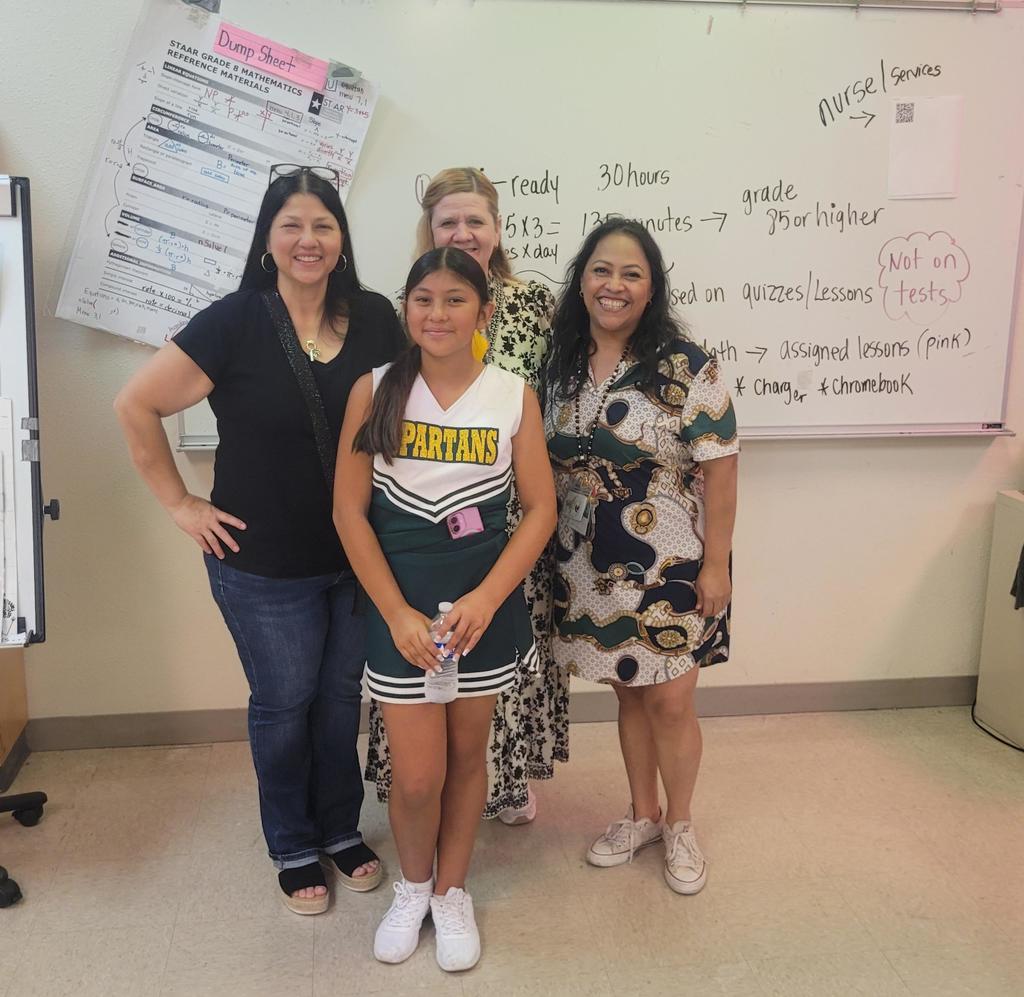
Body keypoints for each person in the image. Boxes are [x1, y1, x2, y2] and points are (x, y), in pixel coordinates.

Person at [114, 165, 405, 914]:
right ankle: (292, 841)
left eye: (323, 225)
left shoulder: (376, 317)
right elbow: (136, 403)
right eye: (292, 226)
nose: (309, 240)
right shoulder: (234, 321)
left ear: (341, 240)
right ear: (267, 240)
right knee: (284, 702)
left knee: (340, 698)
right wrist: (181, 503)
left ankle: (339, 827)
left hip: (360, 555)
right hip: (263, 565)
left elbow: (411, 413)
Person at [334, 247, 556, 970]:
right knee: (416, 774)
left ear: (484, 312)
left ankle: (452, 891)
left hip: (478, 611)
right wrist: (396, 613)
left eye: (456, 299)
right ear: (406, 307)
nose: (438, 313)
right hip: (399, 611)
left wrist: (488, 599)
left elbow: (540, 509)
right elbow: (348, 512)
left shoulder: (513, 394)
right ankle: (413, 885)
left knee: (467, 760)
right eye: (423, 298)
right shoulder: (373, 389)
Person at [543, 218, 739, 894]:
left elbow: (722, 469)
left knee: (672, 703)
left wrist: (717, 564)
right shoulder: (560, 361)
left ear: (652, 287)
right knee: (630, 693)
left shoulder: (685, 366)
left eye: (632, 273)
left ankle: (680, 824)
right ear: (582, 280)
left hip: (672, 566)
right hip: (586, 568)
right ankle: (643, 815)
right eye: (602, 269)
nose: (614, 284)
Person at [365, 166, 566, 825]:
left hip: (510, 520)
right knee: (425, 667)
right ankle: (423, 795)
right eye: (447, 221)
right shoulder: (414, 304)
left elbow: (557, 396)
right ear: (429, 231)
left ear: (497, 228)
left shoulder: (535, 306)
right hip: (420, 535)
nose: (462, 232)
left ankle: (501, 785)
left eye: (475, 220)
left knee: (493, 658)